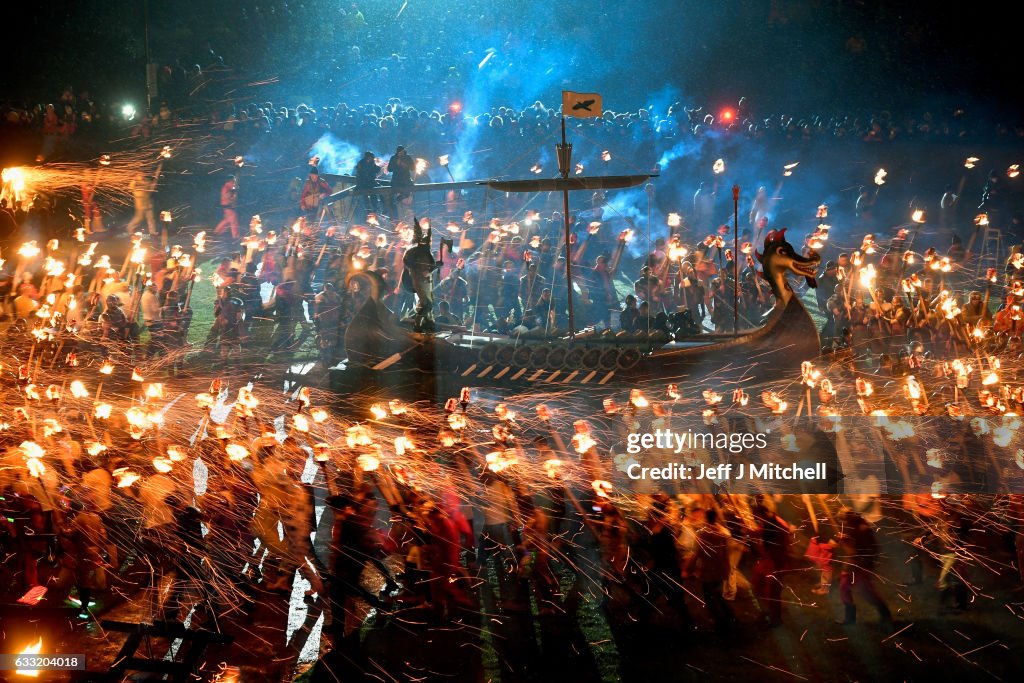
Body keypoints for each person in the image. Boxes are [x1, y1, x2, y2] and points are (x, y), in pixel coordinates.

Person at [386, 146, 415, 217]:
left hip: (406, 180)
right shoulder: (393, 158)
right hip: (396, 180)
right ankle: (393, 205)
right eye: (399, 152)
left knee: (408, 192)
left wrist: (405, 165)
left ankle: (398, 200)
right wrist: (396, 164)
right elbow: (389, 169)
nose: (401, 153)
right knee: (393, 192)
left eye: (402, 152)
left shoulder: (408, 158)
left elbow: (413, 168)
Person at [127, 172, 158, 236]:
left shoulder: (147, 181)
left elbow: (151, 187)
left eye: (141, 174)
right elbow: (130, 189)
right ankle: (129, 228)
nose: (141, 175)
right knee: (139, 217)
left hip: (148, 202)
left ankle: (153, 232)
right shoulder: (134, 182)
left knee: (151, 218)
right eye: (139, 175)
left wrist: (155, 180)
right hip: (140, 203)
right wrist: (133, 181)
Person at [214, 174, 240, 239]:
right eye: (233, 181)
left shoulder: (229, 187)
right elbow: (226, 196)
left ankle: (216, 232)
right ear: (230, 181)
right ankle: (235, 236)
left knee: (228, 220)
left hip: (229, 206)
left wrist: (234, 191)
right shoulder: (227, 187)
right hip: (228, 206)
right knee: (233, 220)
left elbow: (232, 196)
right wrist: (233, 192)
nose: (234, 182)